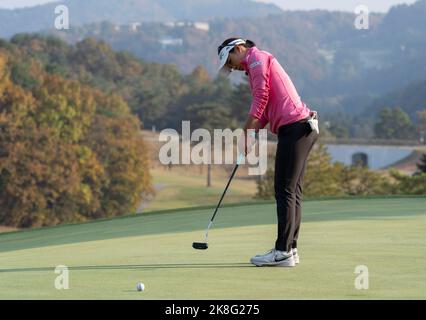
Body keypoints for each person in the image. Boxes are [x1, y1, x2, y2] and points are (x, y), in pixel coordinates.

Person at [217, 38, 319, 267]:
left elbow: (261, 96)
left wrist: (246, 131)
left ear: (238, 49)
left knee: (285, 191)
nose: (231, 67)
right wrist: (252, 135)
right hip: (300, 128)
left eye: (230, 60)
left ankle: (282, 251)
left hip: (296, 128)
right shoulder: (255, 65)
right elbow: (265, 110)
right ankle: (290, 250)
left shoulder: (257, 60)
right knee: (292, 192)